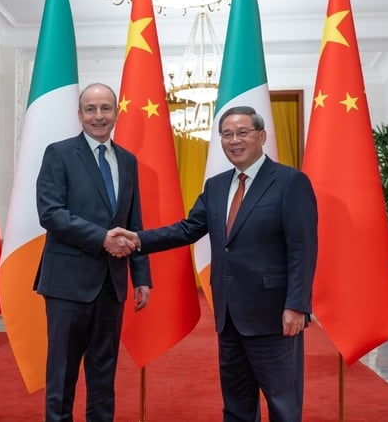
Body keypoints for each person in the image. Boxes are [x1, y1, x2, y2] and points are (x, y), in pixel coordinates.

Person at [111, 105, 317, 422]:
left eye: (242, 132)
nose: (234, 140)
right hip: (229, 316)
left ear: (262, 136)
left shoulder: (291, 182)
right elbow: (187, 229)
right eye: (227, 134)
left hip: (274, 316)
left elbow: (302, 249)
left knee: (283, 406)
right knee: (236, 406)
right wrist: (138, 239)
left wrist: (297, 306)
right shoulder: (216, 185)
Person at [34, 82, 151, 422]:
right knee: (62, 374)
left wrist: (141, 276)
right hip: (67, 285)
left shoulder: (127, 161)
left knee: (104, 373)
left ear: (116, 113)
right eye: (91, 109)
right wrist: (102, 239)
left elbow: (134, 222)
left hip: (112, 285)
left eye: (105, 108)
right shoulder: (59, 154)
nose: (98, 116)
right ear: (80, 114)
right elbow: (50, 213)